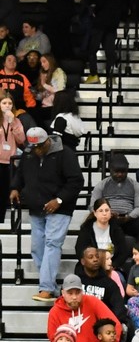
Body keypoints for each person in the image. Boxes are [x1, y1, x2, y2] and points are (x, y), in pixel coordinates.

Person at [10, 126, 83, 303]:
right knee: (37, 247)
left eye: (39, 146)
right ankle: (50, 284)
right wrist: (15, 187)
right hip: (36, 208)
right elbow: (21, 174)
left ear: (47, 141)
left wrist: (58, 200)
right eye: (33, 146)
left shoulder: (65, 153)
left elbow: (76, 181)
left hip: (59, 208)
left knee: (52, 243)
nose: (36, 150)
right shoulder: (29, 153)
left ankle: (46, 288)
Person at [47, 273, 122, 342]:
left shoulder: (93, 302)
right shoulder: (55, 312)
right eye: (70, 293)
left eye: (77, 293)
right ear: (63, 293)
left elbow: (115, 325)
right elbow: (55, 341)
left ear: (82, 291)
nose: (74, 297)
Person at [84, 0, 124, 85]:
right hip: (112, 26)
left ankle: (93, 74)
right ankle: (110, 76)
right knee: (110, 51)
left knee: (92, 50)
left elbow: (98, 3)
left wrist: (94, 11)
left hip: (100, 24)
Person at [75, 197, 128, 269]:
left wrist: (112, 266)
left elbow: (123, 252)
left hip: (112, 266)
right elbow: (80, 250)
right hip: (91, 267)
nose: (104, 213)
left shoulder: (116, 228)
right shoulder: (87, 228)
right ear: (95, 213)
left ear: (110, 212)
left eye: (107, 210)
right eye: (101, 211)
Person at [0, 88, 24, 223]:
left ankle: (2, 220)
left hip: (10, 163)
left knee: (5, 194)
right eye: (4, 103)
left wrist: (13, 122)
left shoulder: (16, 121)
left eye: (9, 103)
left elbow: (21, 139)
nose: (7, 106)